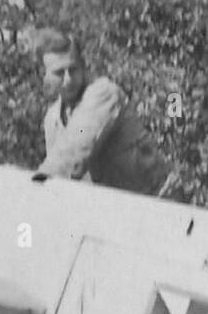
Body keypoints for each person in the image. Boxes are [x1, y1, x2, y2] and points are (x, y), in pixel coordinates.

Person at [34, 28, 172, 196]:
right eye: (59, 73)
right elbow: (60, 184)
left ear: (84, 67)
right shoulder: (53, 118)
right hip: (115, 207)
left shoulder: (103, 93)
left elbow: (72, 155)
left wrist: (33, 190)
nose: (68, 79)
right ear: (44, 75)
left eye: (73, 69)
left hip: (157, 202)